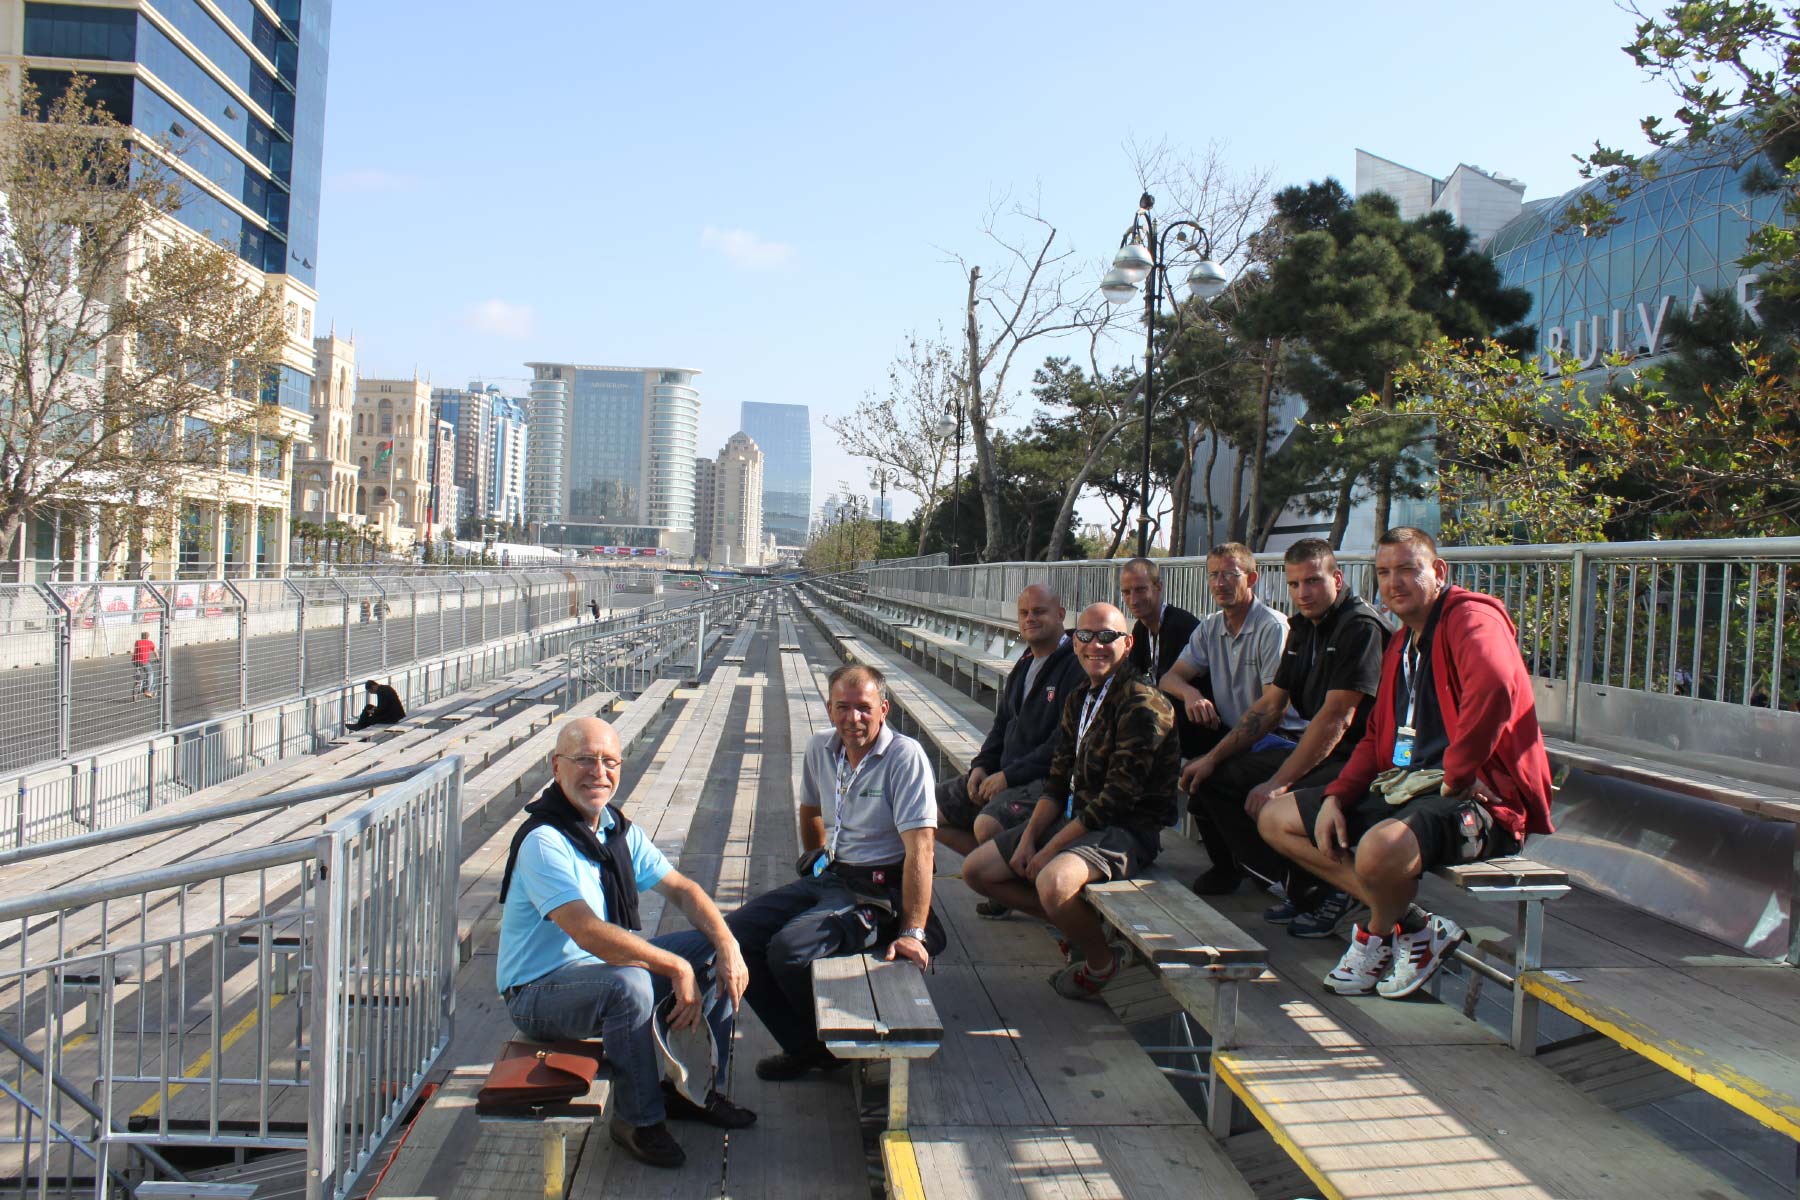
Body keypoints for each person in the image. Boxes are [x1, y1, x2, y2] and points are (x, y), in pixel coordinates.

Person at [1256, 527, 1556, 999]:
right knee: (1276, 818)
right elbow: (1379, 738)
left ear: (1438, 572)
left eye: (1406, 569)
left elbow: (1495, 685)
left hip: (1480, 799)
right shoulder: (1401, 642)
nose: (1393, 583)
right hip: (1408, 783)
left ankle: (1377, 933)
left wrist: (1459, 773)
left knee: (1378, 850)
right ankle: (1414, 926)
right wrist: (1338, 795)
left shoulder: (1471, 618)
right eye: (1383, 572)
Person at [496, 717, 755, 1169]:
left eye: (609, 761)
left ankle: (690, 1090)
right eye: (584, 760)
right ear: (556, 767)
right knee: (630, 984)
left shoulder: (613, 829)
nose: (599, 771)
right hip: (538, 992)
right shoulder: (545, 840)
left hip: (599, 974)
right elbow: (588, 931)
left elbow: (683, 890)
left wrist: (729, 944)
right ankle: (636, 1120)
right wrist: (675, 968)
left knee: (711, 950)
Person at [726, 665, 941, 1081]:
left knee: (787, 951)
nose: (853, 719)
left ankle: (828, 1044)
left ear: (883, 708)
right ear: (828, 709)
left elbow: (922, 849)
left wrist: (913, 931)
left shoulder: (904, 756)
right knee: (734, 936)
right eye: (843, 708)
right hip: (832, 877)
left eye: (863, 708)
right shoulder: (820, 748)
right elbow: (810, 811)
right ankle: (810, 1046)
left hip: (877, 892)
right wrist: (813, 861)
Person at [962, 603, 1180, 1002]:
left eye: (1107, 636)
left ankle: (1101, 961)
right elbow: (1058, 778)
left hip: (1128, 829)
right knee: (978, 871)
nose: (1094, 645)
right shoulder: (1081, 696)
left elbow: (1116, 800)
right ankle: (1082, 928)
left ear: (1128, 643)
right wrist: (1029, 838)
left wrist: (1051, 847)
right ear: (1074, 641)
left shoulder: (1144, 705)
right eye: (1085, 636)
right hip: (1081, 819)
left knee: (1053, 881)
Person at [1179, 540, 1389, 938]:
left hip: (1363, 759)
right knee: (1215, 778)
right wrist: (1211, 757)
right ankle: (1298, 883)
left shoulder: (1359, 627)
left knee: (1278, 800)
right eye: (1294, 584)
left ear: (1337, 579)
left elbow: (1336, 719)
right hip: (1322, 752)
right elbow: (1270, 705)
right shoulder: (1303, 627)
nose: (1302, 593)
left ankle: (1342, 890)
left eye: (1312, 581)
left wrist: (1279, 783)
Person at [1156, 544, 1303, 893]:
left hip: (1284, 741)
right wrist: (1192, 694)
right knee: (1196, 782)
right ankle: (1230, 868)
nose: (1220, 583)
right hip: (1243, 738)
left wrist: (1212, 758)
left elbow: (1272, 709)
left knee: (1209, 779)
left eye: (1230, 575)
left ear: (1251, 578)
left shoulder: (1272, 627)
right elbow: (1168, 678)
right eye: (1214, 575)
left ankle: (1277, 879)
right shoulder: (1210, 627)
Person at [935, 585, 1084, 919]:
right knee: (924, 812)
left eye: (1039, 612)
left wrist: (1008, 776)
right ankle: (1000, 880)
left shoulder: (1074, 665)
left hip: (1042, 780)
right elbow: (1002, 724)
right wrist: (981, 766)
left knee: (988, 826)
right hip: (1004, 770)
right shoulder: (1027, 659)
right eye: (1024, 613)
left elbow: (1062, 744)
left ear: (1060, 615)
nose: (1030, 619)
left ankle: (1007, 889)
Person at [1119, 558, 1206, 757]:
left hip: (1190, 728)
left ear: (1158, 587)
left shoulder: (1181, 626)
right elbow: (1132, 678)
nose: (1133, 599)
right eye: (1126, 592)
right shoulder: (1141, 628)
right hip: (1163, 721)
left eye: (1140, 589)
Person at [131, 630, 158, 699]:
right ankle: (148, 690)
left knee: (137, 669)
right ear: (148, 637)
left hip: (135, 660)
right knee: (150, 673)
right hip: (144, 661)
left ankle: (138, 681)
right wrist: (157, 658)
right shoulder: (150, 643)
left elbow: (135, 651)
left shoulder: (137, 642)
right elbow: (155, 651)